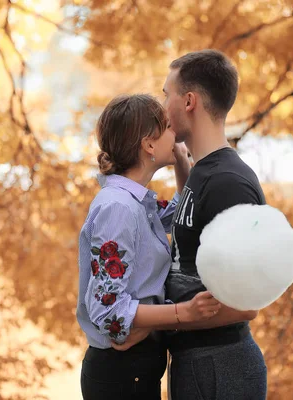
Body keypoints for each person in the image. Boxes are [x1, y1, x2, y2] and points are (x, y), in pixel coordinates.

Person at [76, 94, 222, 400]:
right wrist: (183, 312)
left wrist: (182, 160)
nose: (176, 133)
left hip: (136, 368)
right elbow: (108, 312)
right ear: (149, 145)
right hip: (120, 376)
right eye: (168, 127)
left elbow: (182, 214)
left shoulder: (138, 202)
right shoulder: (118, 209)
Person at [162, 49, 269, 399]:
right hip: (198, 362)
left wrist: (170, 319)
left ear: (189, 101)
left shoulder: (228, 183)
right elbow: (194, 229)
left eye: (167, 95)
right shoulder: (204, 173)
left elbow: (246, 303)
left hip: (221, 367)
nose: (164, 107)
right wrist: (180, 162)